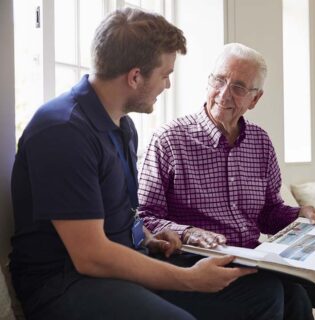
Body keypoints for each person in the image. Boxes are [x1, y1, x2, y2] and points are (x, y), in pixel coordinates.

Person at [9, 10, 288, 320]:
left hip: (119, 265)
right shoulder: (62, 130)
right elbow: (90, 256)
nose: (167, 85)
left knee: (262, 295)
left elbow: (125, 216)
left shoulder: (123, 128)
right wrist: (190, 280)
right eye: (165, 74)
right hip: (65, 282)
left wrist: (149, 238)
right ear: (135, 76)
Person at [138, 42, 315, 320]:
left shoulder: (260, 142)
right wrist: (189, 232)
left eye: (238, 87)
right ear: (208, 82)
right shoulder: (169, 139)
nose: (224, 94)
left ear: (255, 99)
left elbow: (269, 213)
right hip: (198, 260)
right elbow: (146, 216)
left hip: (257, 257)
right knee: (289, 294)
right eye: (219, 80)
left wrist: (299, 214)